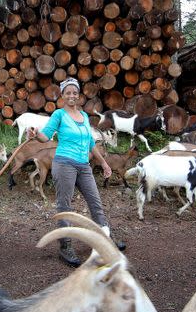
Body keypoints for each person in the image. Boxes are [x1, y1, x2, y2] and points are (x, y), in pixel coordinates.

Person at [26, 77, 125, 267]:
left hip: (83, 166)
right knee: (65, 206)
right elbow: (46, 135)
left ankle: (105, 239)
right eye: (67, 93)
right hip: (64, 164)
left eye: (74, 92)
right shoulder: (59, 115)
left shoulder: (84, 116)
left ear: (78, 95)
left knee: (96, 204)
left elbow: (90, 142)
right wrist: (36, 134)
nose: (71, 95)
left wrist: (104, 162)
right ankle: (65, 246)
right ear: (62, 95)